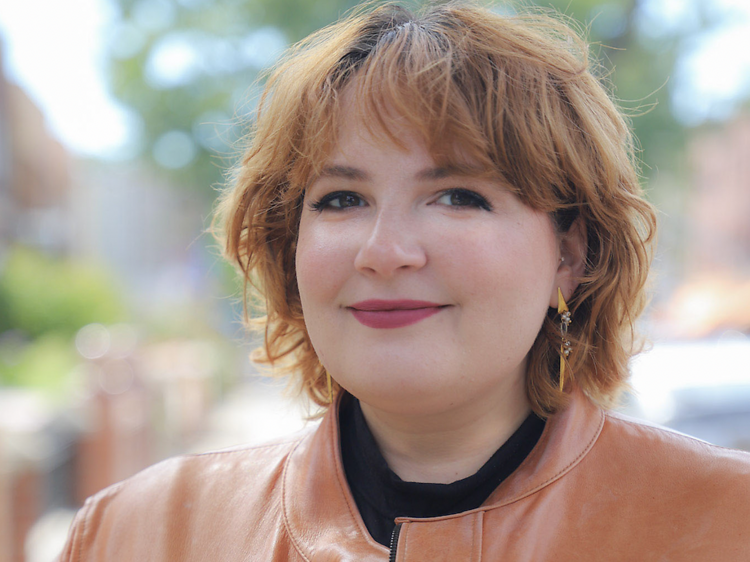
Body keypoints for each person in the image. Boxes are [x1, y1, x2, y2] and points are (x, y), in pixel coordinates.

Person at [59, 2, 750, 560]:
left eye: (457, 196)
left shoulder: (724, 524)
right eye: (340, 199)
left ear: (571, 254)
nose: (384, 252)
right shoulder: (136, 537)